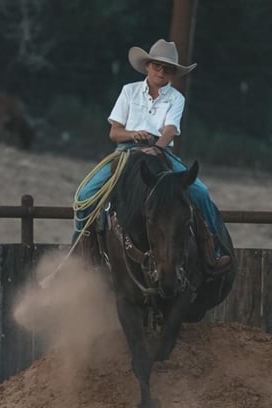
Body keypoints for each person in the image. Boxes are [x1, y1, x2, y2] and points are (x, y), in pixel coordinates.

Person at [72, 38, 232, 275]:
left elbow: (169, 130)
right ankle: (82, 251)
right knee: (85, 195)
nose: (161, 71)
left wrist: (156, 148)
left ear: (172, 74)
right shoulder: (129, 91)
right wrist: (133, 134)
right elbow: (114, 132)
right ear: (147, 66)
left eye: (167, 69)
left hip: (161, 152)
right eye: (157, 66)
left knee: (201, 192)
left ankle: (213, 248)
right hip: (126, 151)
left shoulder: (176, 98)